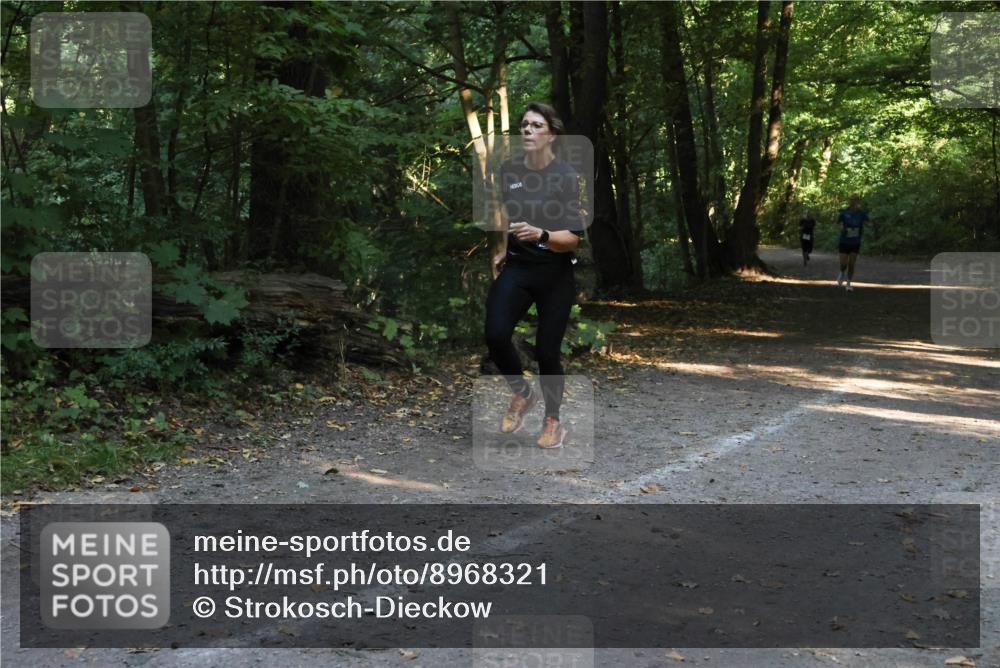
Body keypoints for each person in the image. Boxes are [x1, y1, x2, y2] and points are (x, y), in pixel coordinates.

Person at [485, 102, 583, 449]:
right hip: (518, 268)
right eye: (524, 124)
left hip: (554, 273)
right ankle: (522, 394)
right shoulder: (509, 170)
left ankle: (553, 421)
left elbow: (572, 239)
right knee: (496, 334)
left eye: (536, 125)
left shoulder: (566, 176)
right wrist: (504, 248)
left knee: (546, 351)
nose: (527, 130)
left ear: (551, 135)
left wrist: (541, 234)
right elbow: (507, 218)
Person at [836, 194, 868, 292]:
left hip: (855, 241)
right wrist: (841, 228)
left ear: (858, 201)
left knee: (852, 263)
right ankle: (841, 272)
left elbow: (868, 222)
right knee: (843, 263)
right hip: (844, 241)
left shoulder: (861, 213)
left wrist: (870, 223)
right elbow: (837, 224)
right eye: (851, 199)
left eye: (855, 200)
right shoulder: (844, 212)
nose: (852, 201)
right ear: (849, 201)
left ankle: (849, 283)